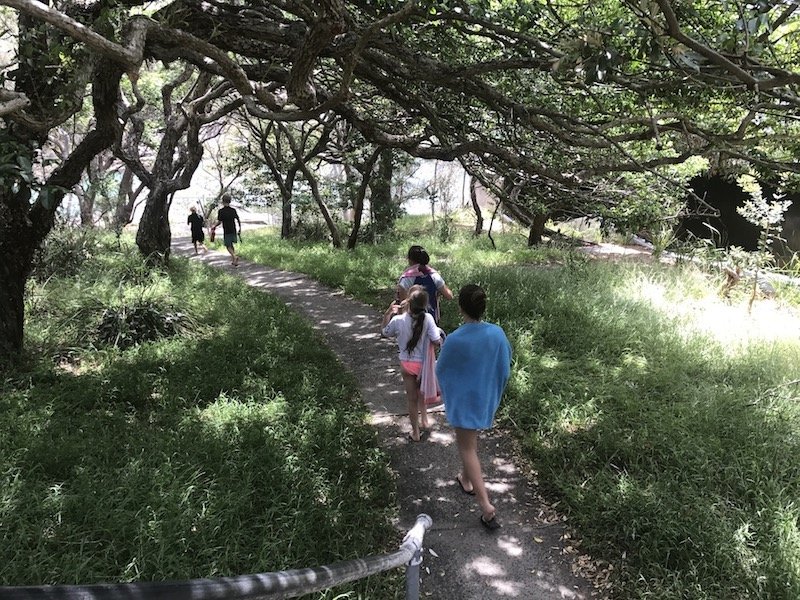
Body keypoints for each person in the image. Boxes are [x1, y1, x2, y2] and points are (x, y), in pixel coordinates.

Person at [436, 284, 512, 532]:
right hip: (484, 398)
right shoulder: (497, 333)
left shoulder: (456, 338)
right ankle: (465, 479)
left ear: (460, 307)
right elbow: (505, 366)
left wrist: (447, 390)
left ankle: (486, 506)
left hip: (464, 401)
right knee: (471, 443)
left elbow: (441, 369)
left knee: (467, 448)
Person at [381, 288, 444, 442]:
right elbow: (436, 340)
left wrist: (388, 313)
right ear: (425, 304)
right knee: (421, 392)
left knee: (411, 399)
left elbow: (384, 332)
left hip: (407, 365)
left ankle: (415, 432)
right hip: (423, 365)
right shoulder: (428, 319)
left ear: (408, 302)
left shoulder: (398, 320)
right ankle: (424, 420)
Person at [396, 245, 453, 322]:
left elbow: (403, 306)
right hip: (432, 321)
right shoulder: (434, 275)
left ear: (410, 260)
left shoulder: (406, 278)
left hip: (411, 323)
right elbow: (449, 296)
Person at [212, 193, 241, 266]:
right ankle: (234, 261)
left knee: (228, 245)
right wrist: (240, 228)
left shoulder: (221, 211)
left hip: (227, 230)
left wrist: (214, 226)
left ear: (222, 201)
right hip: (233, 229)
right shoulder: (233, 210)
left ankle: (234, 256)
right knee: (231, 245)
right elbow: (238, 219)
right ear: (230, 201)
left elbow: (219, 221)